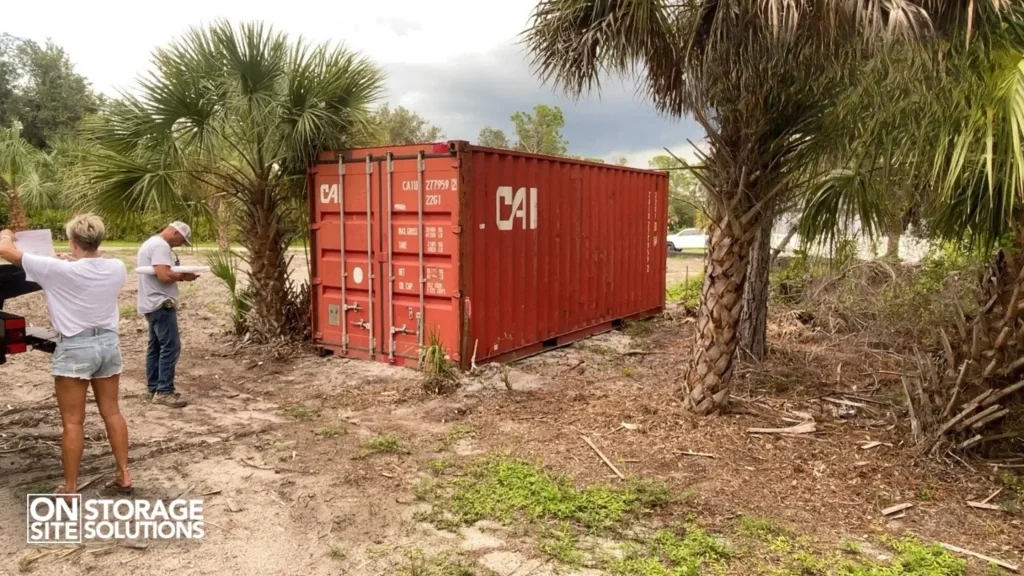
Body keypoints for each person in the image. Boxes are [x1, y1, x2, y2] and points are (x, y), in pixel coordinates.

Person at [0, 215, 133, 496]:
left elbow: (6, 252)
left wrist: (7, 233)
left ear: (73, 243)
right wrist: (69, 261)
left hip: (75, 347)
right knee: (112, 412)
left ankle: (70, 488)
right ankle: (124, 474)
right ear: (98, 240)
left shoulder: (53, 269)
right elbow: (89, 269)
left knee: (73, 421)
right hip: (108, 344)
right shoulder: (116, 267)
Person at [136, 222, 198, 408]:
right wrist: (184, 277)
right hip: (161, 302)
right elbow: (163, 275)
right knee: (170, 346)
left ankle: (154, 387)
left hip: (150, 302)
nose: (179, 244)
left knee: (155, 346)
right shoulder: (161, 246)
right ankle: (164, 391)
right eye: (181, 240)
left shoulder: (151, 243)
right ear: (174, 232)